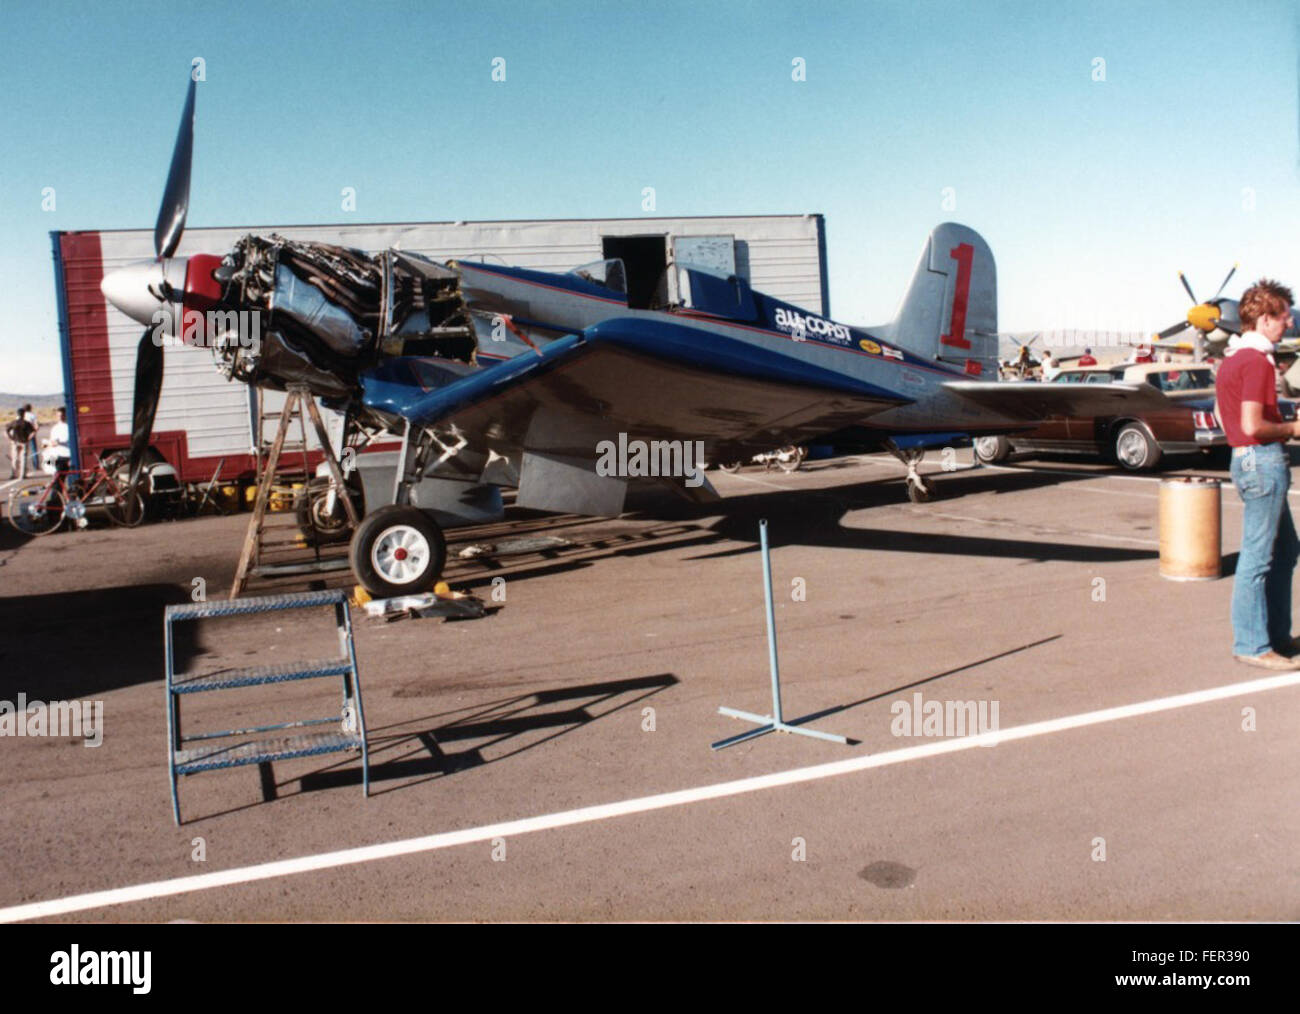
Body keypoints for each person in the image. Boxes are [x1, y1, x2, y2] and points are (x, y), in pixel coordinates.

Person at [1214, 279, 1300, 670]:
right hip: (1261, 460)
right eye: (1284, 318)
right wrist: (1293, 428)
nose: (1289, 325)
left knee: (1283, 551)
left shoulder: (1232, 359)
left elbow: (1229, 419)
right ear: (1265, 319)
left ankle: (1276, 636)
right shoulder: (1257, 362)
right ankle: (1252, 644)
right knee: (1258, 558)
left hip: (1247, 459)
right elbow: (1253, 425)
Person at [6, 407, 35, 479]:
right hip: (23, 442)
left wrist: (10, 438)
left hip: (15, 441)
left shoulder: (13, 422)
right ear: (23, 414)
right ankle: (22, 475)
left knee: (15, 458)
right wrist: (29, 438)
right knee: (23, 459)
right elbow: (33, 432)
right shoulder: (26, 423)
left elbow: (6, 431)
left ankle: (14, 474)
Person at [43, 407, 71, 475]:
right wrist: (47, 445)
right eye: (58, 416)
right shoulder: (55, 428)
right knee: (56, 476)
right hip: (57, 456)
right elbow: (51, 442)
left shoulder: (69, 426)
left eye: (62, 415)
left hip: (67, 455)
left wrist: (60, 443)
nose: (60, 417)